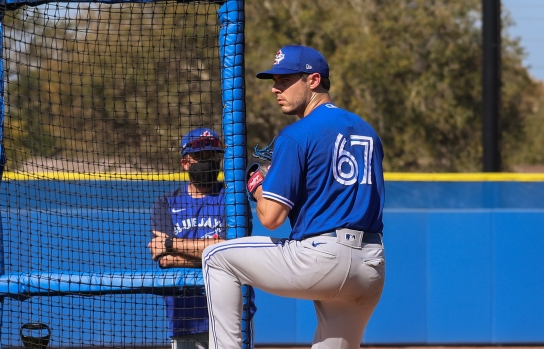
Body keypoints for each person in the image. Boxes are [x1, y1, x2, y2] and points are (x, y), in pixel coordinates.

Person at [202, 45, 386, 349]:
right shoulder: (368, 131)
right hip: (370, 266)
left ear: (313, 80)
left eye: (285, 80)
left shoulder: (297, 134)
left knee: (216, 258)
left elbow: (271, 218)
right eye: (275, 80)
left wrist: (258, 184)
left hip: (322, 258)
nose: (276, 88)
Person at [148, 127, 255, 349]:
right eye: (200, 156)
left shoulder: (233, 201)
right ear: (185, 162)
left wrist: (172, 244)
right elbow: (165, 260)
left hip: (231, 314)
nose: (208, 162)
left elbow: (232, 253)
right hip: (184, 316)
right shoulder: (166, 204)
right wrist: (216, 254)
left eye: (212, 156)